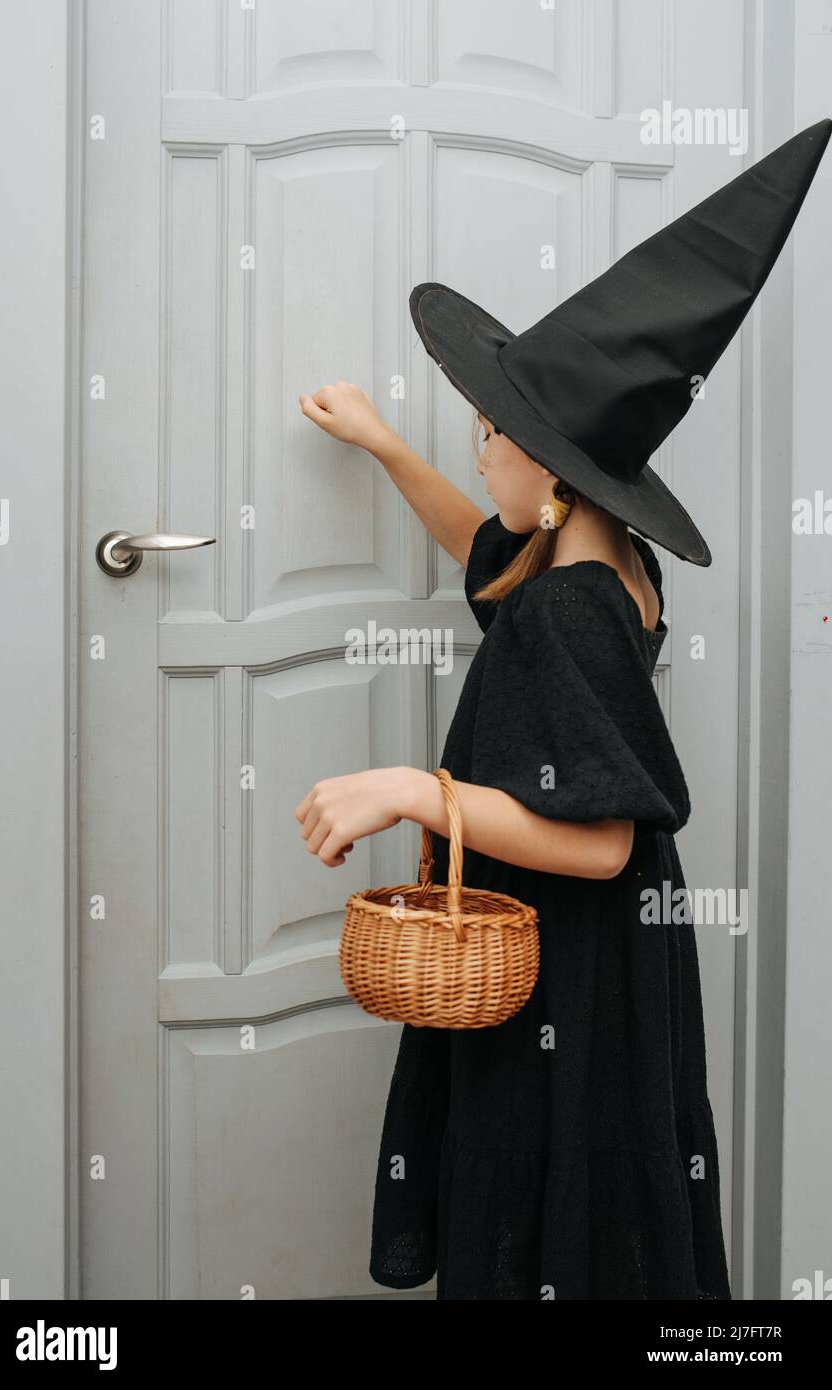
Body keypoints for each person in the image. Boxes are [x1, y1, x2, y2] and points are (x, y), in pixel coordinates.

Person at [294, 119, 831, 1298]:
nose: (477, 449)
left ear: (549, 467)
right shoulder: (605, 566)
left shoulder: (569, 611)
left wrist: (410, 790)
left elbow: (599, 842)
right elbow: (490, 553)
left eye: (488, 434)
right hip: (604, 970)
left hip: (566, 968)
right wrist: (386, 448)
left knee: (547, 1207)